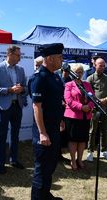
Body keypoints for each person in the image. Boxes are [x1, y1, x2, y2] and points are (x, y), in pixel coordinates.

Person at [29, 43, 64, 200]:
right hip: (43, 131)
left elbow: (57, 102)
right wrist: (42, 133)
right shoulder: (39, 78)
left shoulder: (55, 76)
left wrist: (61, 119)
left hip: (54, 128)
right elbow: (37, 107)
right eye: (59, 57)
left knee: (50, 166)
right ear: (49, 58)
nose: (62, 60)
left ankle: (45, 194)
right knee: (42, 168)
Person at [0, 45, 27, 174]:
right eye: (18, 55)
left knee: (15, 135)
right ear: (10, 54)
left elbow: (26, 88)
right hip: (4, 107)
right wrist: (9, 90)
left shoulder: (21, 70)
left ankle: (13, 159)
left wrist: (22, 89)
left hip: (17, 106)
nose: (20, 58)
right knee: (2, 135)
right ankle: (1, 163)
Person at [64, 63, 95, 170]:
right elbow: (68, 100)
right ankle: (73, 161)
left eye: (81, 72)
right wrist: (81, 107)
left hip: (85, 117)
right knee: (73, 140)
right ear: (72, 73)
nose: (79, 74)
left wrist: (89, 106)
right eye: (77, 72)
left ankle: (80, 160)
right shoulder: (68, 85)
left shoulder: (86, 84)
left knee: (82, 140)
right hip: (73, 117)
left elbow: (93, 98)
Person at [86, 57, 107, 162]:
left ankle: (104, 151)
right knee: (92, 130)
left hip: (105, 108)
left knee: (104, 130)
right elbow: (87, 93)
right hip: (94, 109)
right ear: (95, 65)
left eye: (103, 65)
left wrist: (106, 99)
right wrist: (95, 100)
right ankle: (90, 152)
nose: (101, 67)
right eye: (99, 65)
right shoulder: (90, 78)